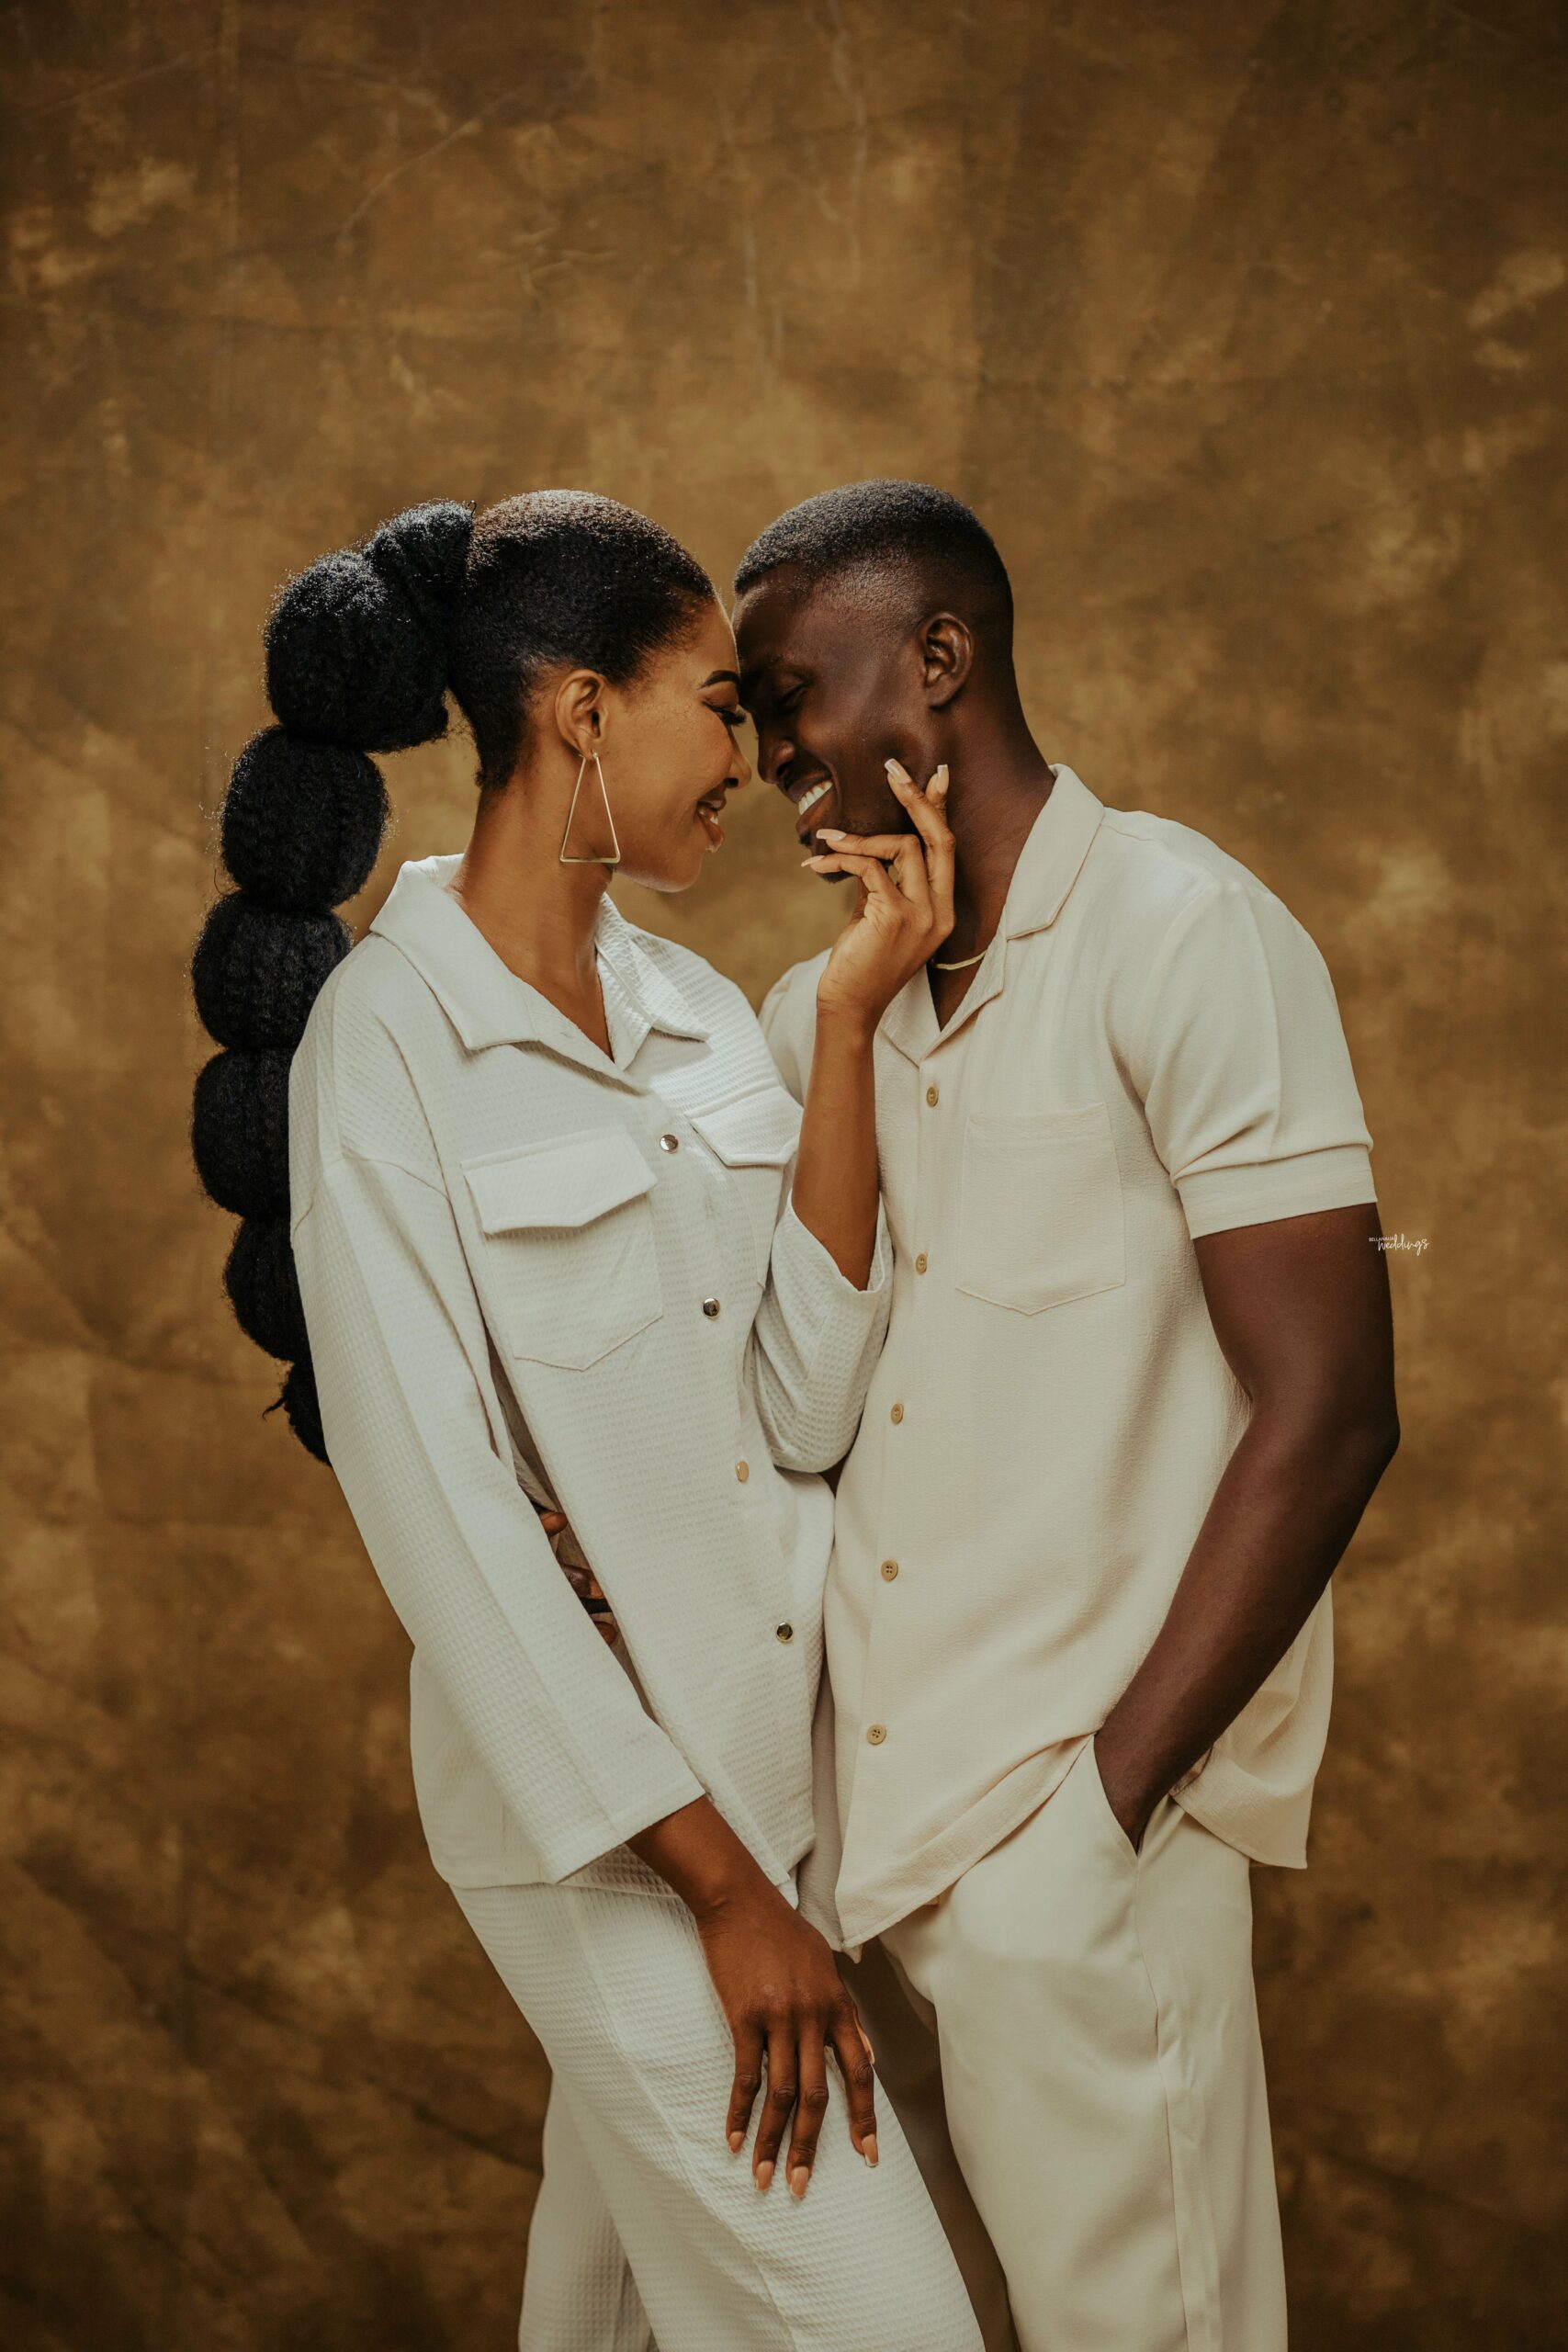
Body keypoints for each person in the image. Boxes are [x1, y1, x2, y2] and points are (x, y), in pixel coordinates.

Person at [187, 490, 986, 2352]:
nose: (750, 756)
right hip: (616, 1845)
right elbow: (443, 1518)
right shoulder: (384, 1043)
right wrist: (721, 1893)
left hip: (768, 1807)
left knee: (613, 2313)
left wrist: (848, 1029)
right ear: (572, 712)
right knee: (883, 2323)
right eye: (713, 705)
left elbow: (801, 1397)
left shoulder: (699, 1012)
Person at [735, 480, 1403, 2351]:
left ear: (939, 657)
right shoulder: (817, 1019)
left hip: (1067, 1847)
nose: (775, 746)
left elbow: (1331, 1405)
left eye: (794, 689)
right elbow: (800, 1407)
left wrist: (1097, 1812)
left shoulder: (1181, 933)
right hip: (857, 1872)